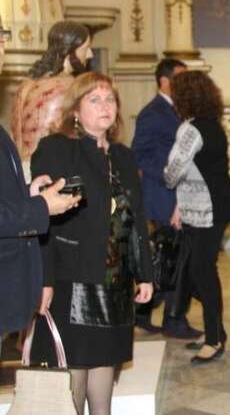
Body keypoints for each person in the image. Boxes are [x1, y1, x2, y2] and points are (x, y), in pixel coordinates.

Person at [30, 72, 154, 415]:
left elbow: (136, 218)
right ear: (75, 110)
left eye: (110, 99)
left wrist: (144, 273)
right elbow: (44, 218)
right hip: (74, 278)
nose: (105, 106)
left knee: (105, 360)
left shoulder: (124, 156)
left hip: (115, 280)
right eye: (94, 100)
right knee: (76, 367)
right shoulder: (58, 148)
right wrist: (44, 279)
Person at [0, 21, 81, 351]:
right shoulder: (63, 87)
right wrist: (41, 206)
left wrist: (27, 193)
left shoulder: (25, 87)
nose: (3, 49)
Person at [164, 71, 230, 365]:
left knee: (201, 272)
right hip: (214, 205)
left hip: (207, 209)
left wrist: (169, 182)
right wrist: (180, 207)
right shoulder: (213, 125)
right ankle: (215, 330)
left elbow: (173, 171)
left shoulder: (190, 130)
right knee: (201, 271)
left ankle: (214, 339)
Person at [132, 58, 201, 338]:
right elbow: (140, 154)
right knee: (174, 260)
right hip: (164, 196)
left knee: (170, 259)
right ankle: (173, 320)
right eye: (181, 78)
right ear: (164, 81)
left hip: (179, 195)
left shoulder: (180, 110)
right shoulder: (153, 113)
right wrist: (168, 174)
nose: (186, 84)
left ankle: (142, 312)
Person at [11, 21, 93, 175]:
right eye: (86, 49)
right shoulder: (69, 86)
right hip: (50, 171)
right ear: (70, 51)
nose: (90, 54)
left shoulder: (26, 84)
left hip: (17, 170)